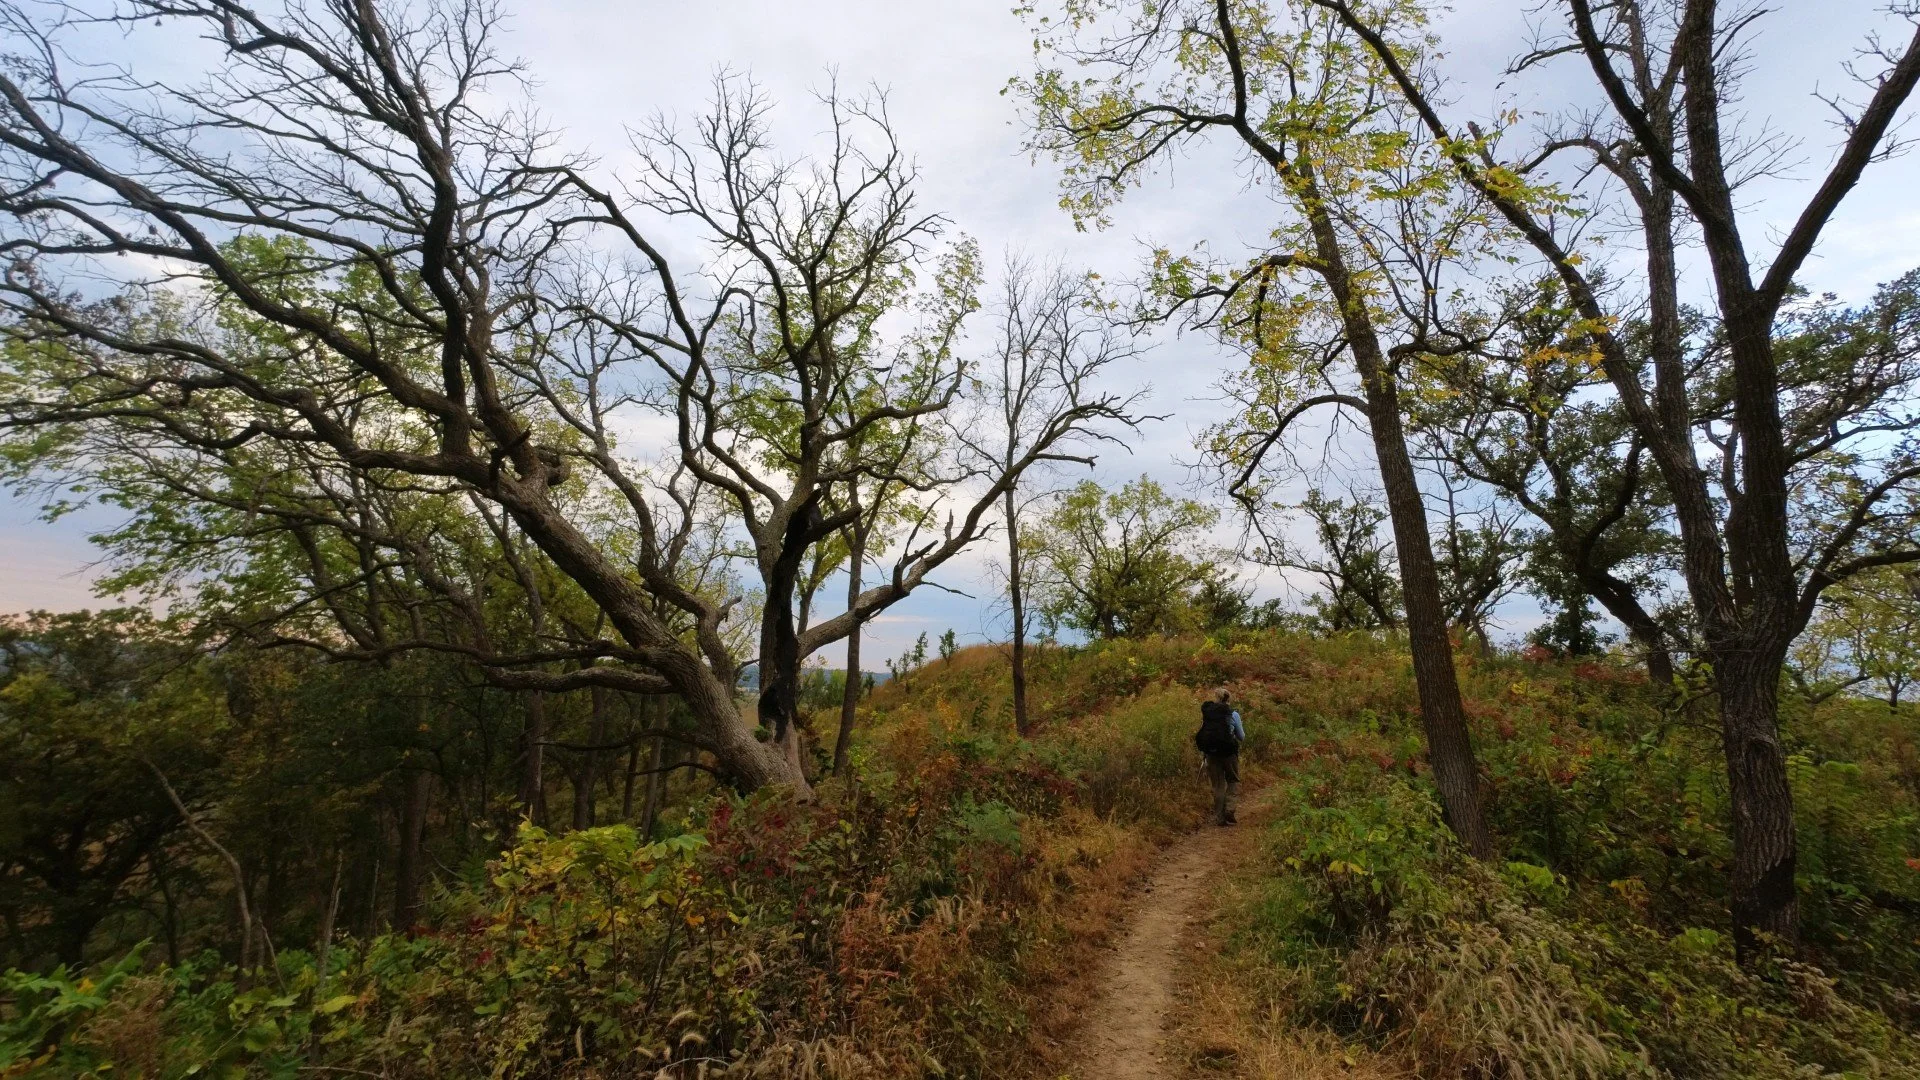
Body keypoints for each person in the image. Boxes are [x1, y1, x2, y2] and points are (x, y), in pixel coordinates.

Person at [1193, 686, 1244, 825]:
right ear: (1228, 698)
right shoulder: (1233, 714)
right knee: (1233, 780)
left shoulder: (1208, 714)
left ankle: (1219, 817)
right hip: (1229, 753)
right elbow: (1241, 736)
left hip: (1211, 753)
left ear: (1216, 698)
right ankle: (1229, 809)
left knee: (1218, 785)